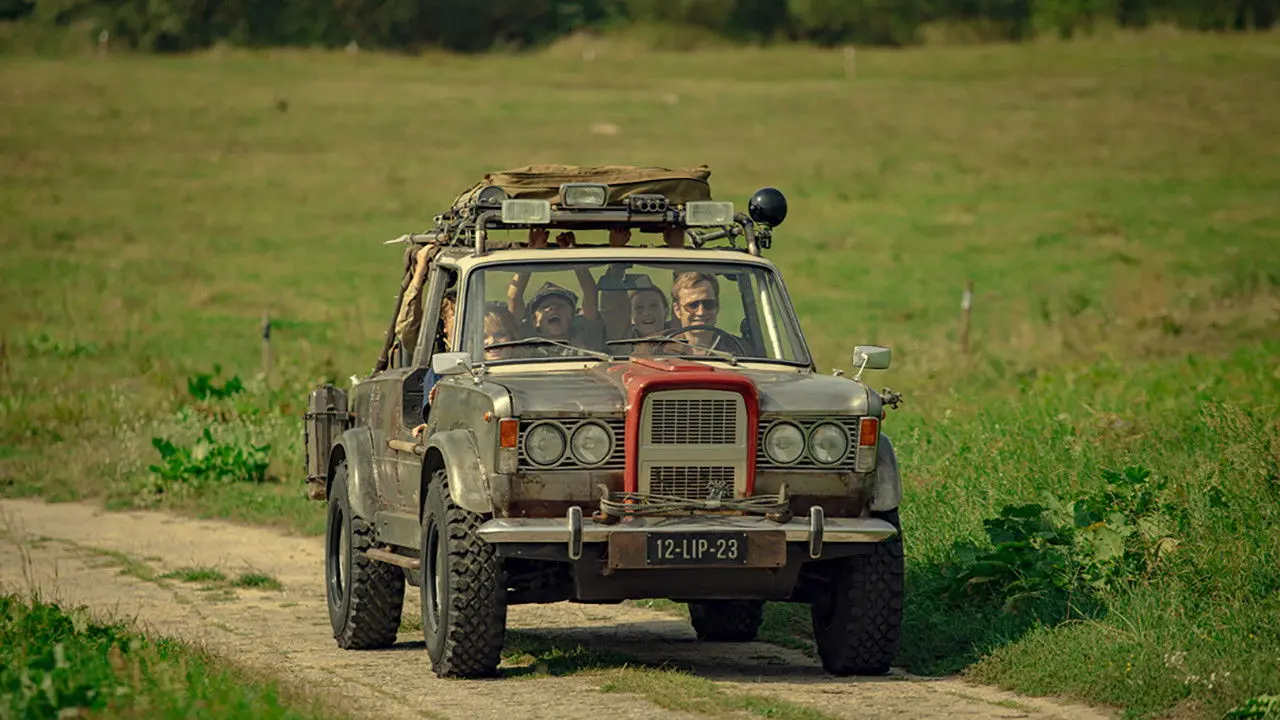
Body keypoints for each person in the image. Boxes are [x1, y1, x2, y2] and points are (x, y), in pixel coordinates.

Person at [507, 229, 606, 355]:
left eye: (561, 305)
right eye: (544, 307)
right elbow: (513, 297)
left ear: (573, 316)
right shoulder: (524, 344)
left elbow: (590, 293)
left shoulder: (586, 340)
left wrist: (574, 257)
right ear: (534, 321)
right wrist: (531, 252)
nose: (553, 308)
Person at [668, 271, 748, 356]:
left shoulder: (740, 350)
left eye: (708, 304)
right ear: (677, 310)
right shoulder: (659, 349)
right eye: (692, 305)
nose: (701, 312)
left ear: (717, 307)